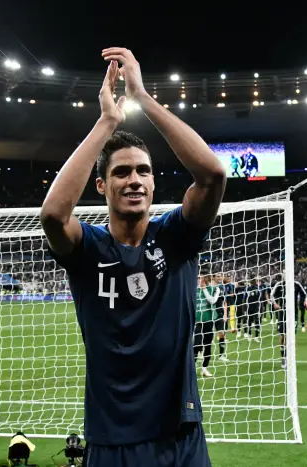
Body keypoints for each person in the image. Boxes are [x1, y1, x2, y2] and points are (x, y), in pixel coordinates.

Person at [40, 48, 226, 467]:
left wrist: (141, 97)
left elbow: (213, 174)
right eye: (121, 172)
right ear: (102, 186)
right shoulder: (87, 248)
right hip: (112, 439)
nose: (135, 180)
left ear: (154, 183)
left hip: (180, 435)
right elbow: (53, 214)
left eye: (143, 171)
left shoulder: (176, 237)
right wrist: (107, 123)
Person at [270, 279, 307, 369]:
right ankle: (283, 358)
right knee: (282, 336)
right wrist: (275, 304)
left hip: (293, 314)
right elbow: (272, 295)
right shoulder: (280, 284)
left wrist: (306, 301)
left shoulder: (296, 284)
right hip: (282, 313)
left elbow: (305, 294)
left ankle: (291, 358)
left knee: (291, 337)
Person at [194, 275, 218, 377]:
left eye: (202, 278)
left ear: (206, 279)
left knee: (207, 345)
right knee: (196, 344)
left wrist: (204, 289)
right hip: (198, 322)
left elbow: (212, 301)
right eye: (198, 278)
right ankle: (192, 367)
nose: (200, 280)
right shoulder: (193, 290)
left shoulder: (214, 289)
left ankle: (204, 369)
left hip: (208, 321)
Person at [213, 274, 229, 361]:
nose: (220, 278)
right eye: (218, 276)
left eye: (221, 276)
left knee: (222, 333)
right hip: (209, 313)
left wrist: (225, 314)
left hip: (219, 313)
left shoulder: (222, 288)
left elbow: (224, 302)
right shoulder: (210, 287)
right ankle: (200, 352)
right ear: (213, 277)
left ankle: (221, 355)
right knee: (206, 335)